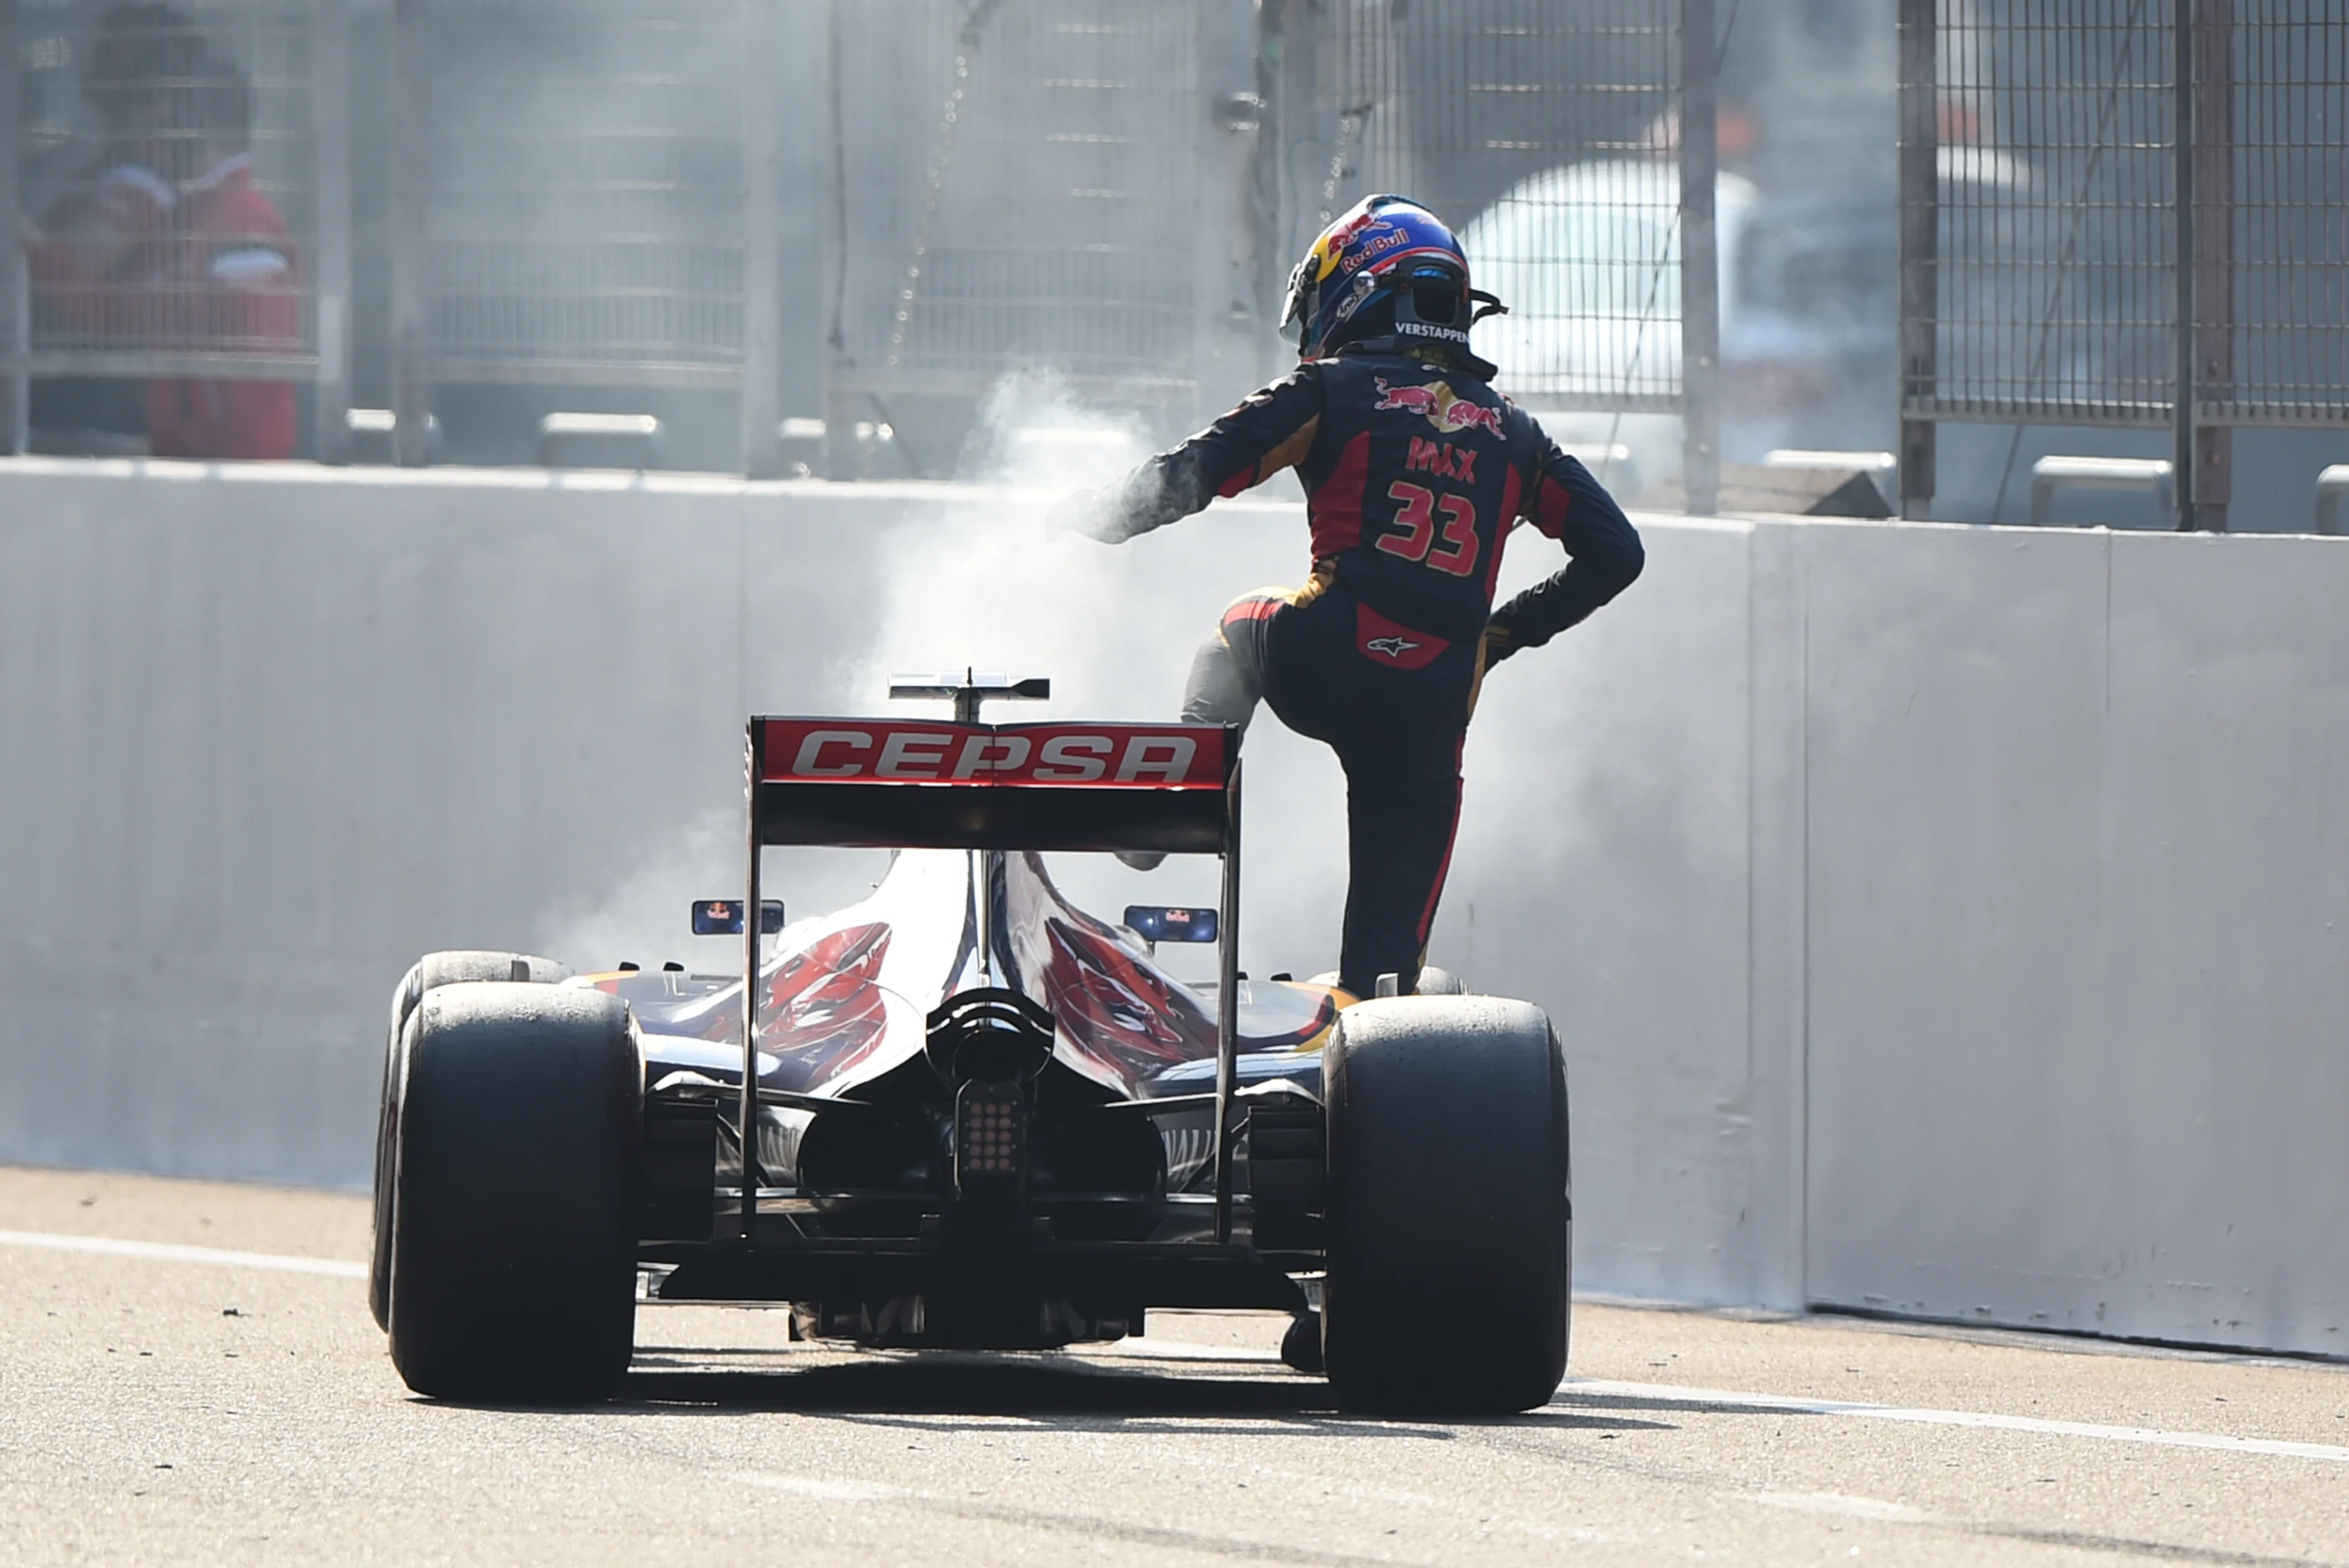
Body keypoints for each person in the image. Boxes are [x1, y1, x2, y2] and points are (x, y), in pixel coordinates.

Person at [1059, 194, 1645, 1001]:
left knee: (1235, 628)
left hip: (1326, 653)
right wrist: (1498, 637)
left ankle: (1164, 813)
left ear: (1357, 287)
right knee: (1382, 986)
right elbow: (1616, 552)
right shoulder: (1517, 434)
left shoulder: (1330, 387)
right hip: (1434, 705)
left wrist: (1086, 516)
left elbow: (1196, 471)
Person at [21, 10, 298, 460]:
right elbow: (115, 314)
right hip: (182, 462)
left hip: (223, 481)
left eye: (171, 114)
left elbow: (256, 393)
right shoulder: (191, 220)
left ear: (201, 126)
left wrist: (233, 484)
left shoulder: (244, 232)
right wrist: (34, 246)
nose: (156, 129)